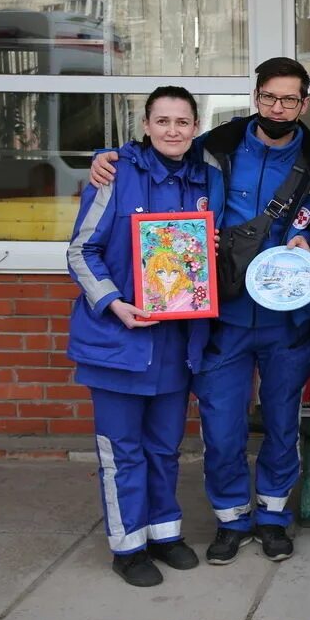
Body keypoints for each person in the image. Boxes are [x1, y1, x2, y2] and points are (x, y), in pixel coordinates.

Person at [89, 57, 310, 566]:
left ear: (304, 104)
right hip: (222, 316)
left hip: (288, 317)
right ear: (255, 97)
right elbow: (155, 155)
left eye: (290, 99)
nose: (278, 107)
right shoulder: (213, 148)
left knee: (284, 425)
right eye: (269, 97)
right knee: (222, 429)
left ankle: (273, 516)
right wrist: (107, 156)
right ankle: (231, 518)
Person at [66, 86, 208, 587]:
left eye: (183, 122)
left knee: (165, 448)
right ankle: (128, 546)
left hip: (174, 343)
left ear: (196, 127)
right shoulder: (115, 173)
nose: (173, 130)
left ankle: (165, 533)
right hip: (117, 342)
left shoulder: (205, 176)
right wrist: (113, 303)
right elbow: (81, 252)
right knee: (121, 449)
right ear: (145, 126)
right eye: (163, 121)